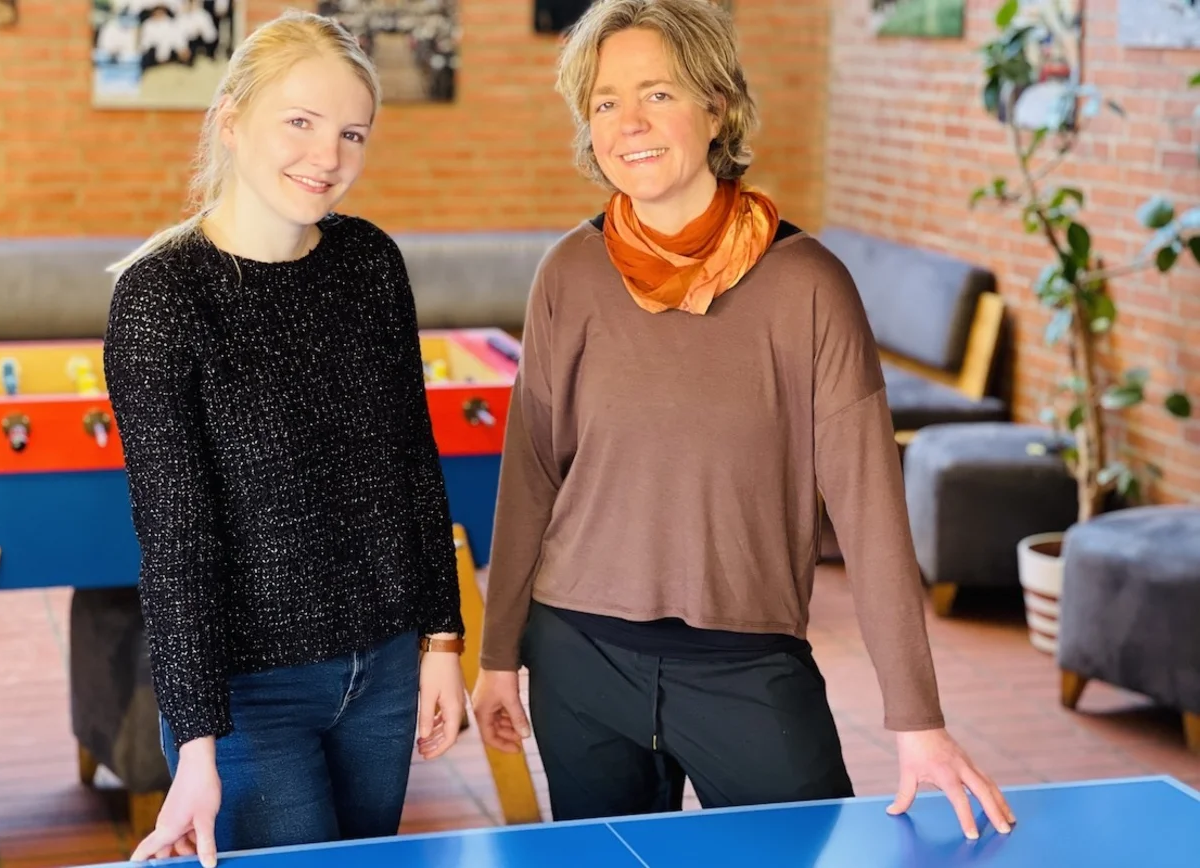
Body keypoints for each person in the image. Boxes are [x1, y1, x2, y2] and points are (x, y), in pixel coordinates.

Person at [470, 0, 1016, 842]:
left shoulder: (809, 285)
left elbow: (870, 512)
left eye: (657, 92)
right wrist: (499, 654)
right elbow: (532, 475)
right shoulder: (568, 275)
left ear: (717, 104)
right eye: (606, 100)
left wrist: (916, 717)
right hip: (579, 658)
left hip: (748, 667)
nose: (628, 123)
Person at [102, 10, 466, 865]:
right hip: (249, 694)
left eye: (351, 133)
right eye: (299, 122)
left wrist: (442, 642)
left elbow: (414, 463)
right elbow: (176, 538)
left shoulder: (371, 262)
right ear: (232, 119)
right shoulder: (162, 299)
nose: (327, 156)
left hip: (383, 673)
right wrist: (195, 746)